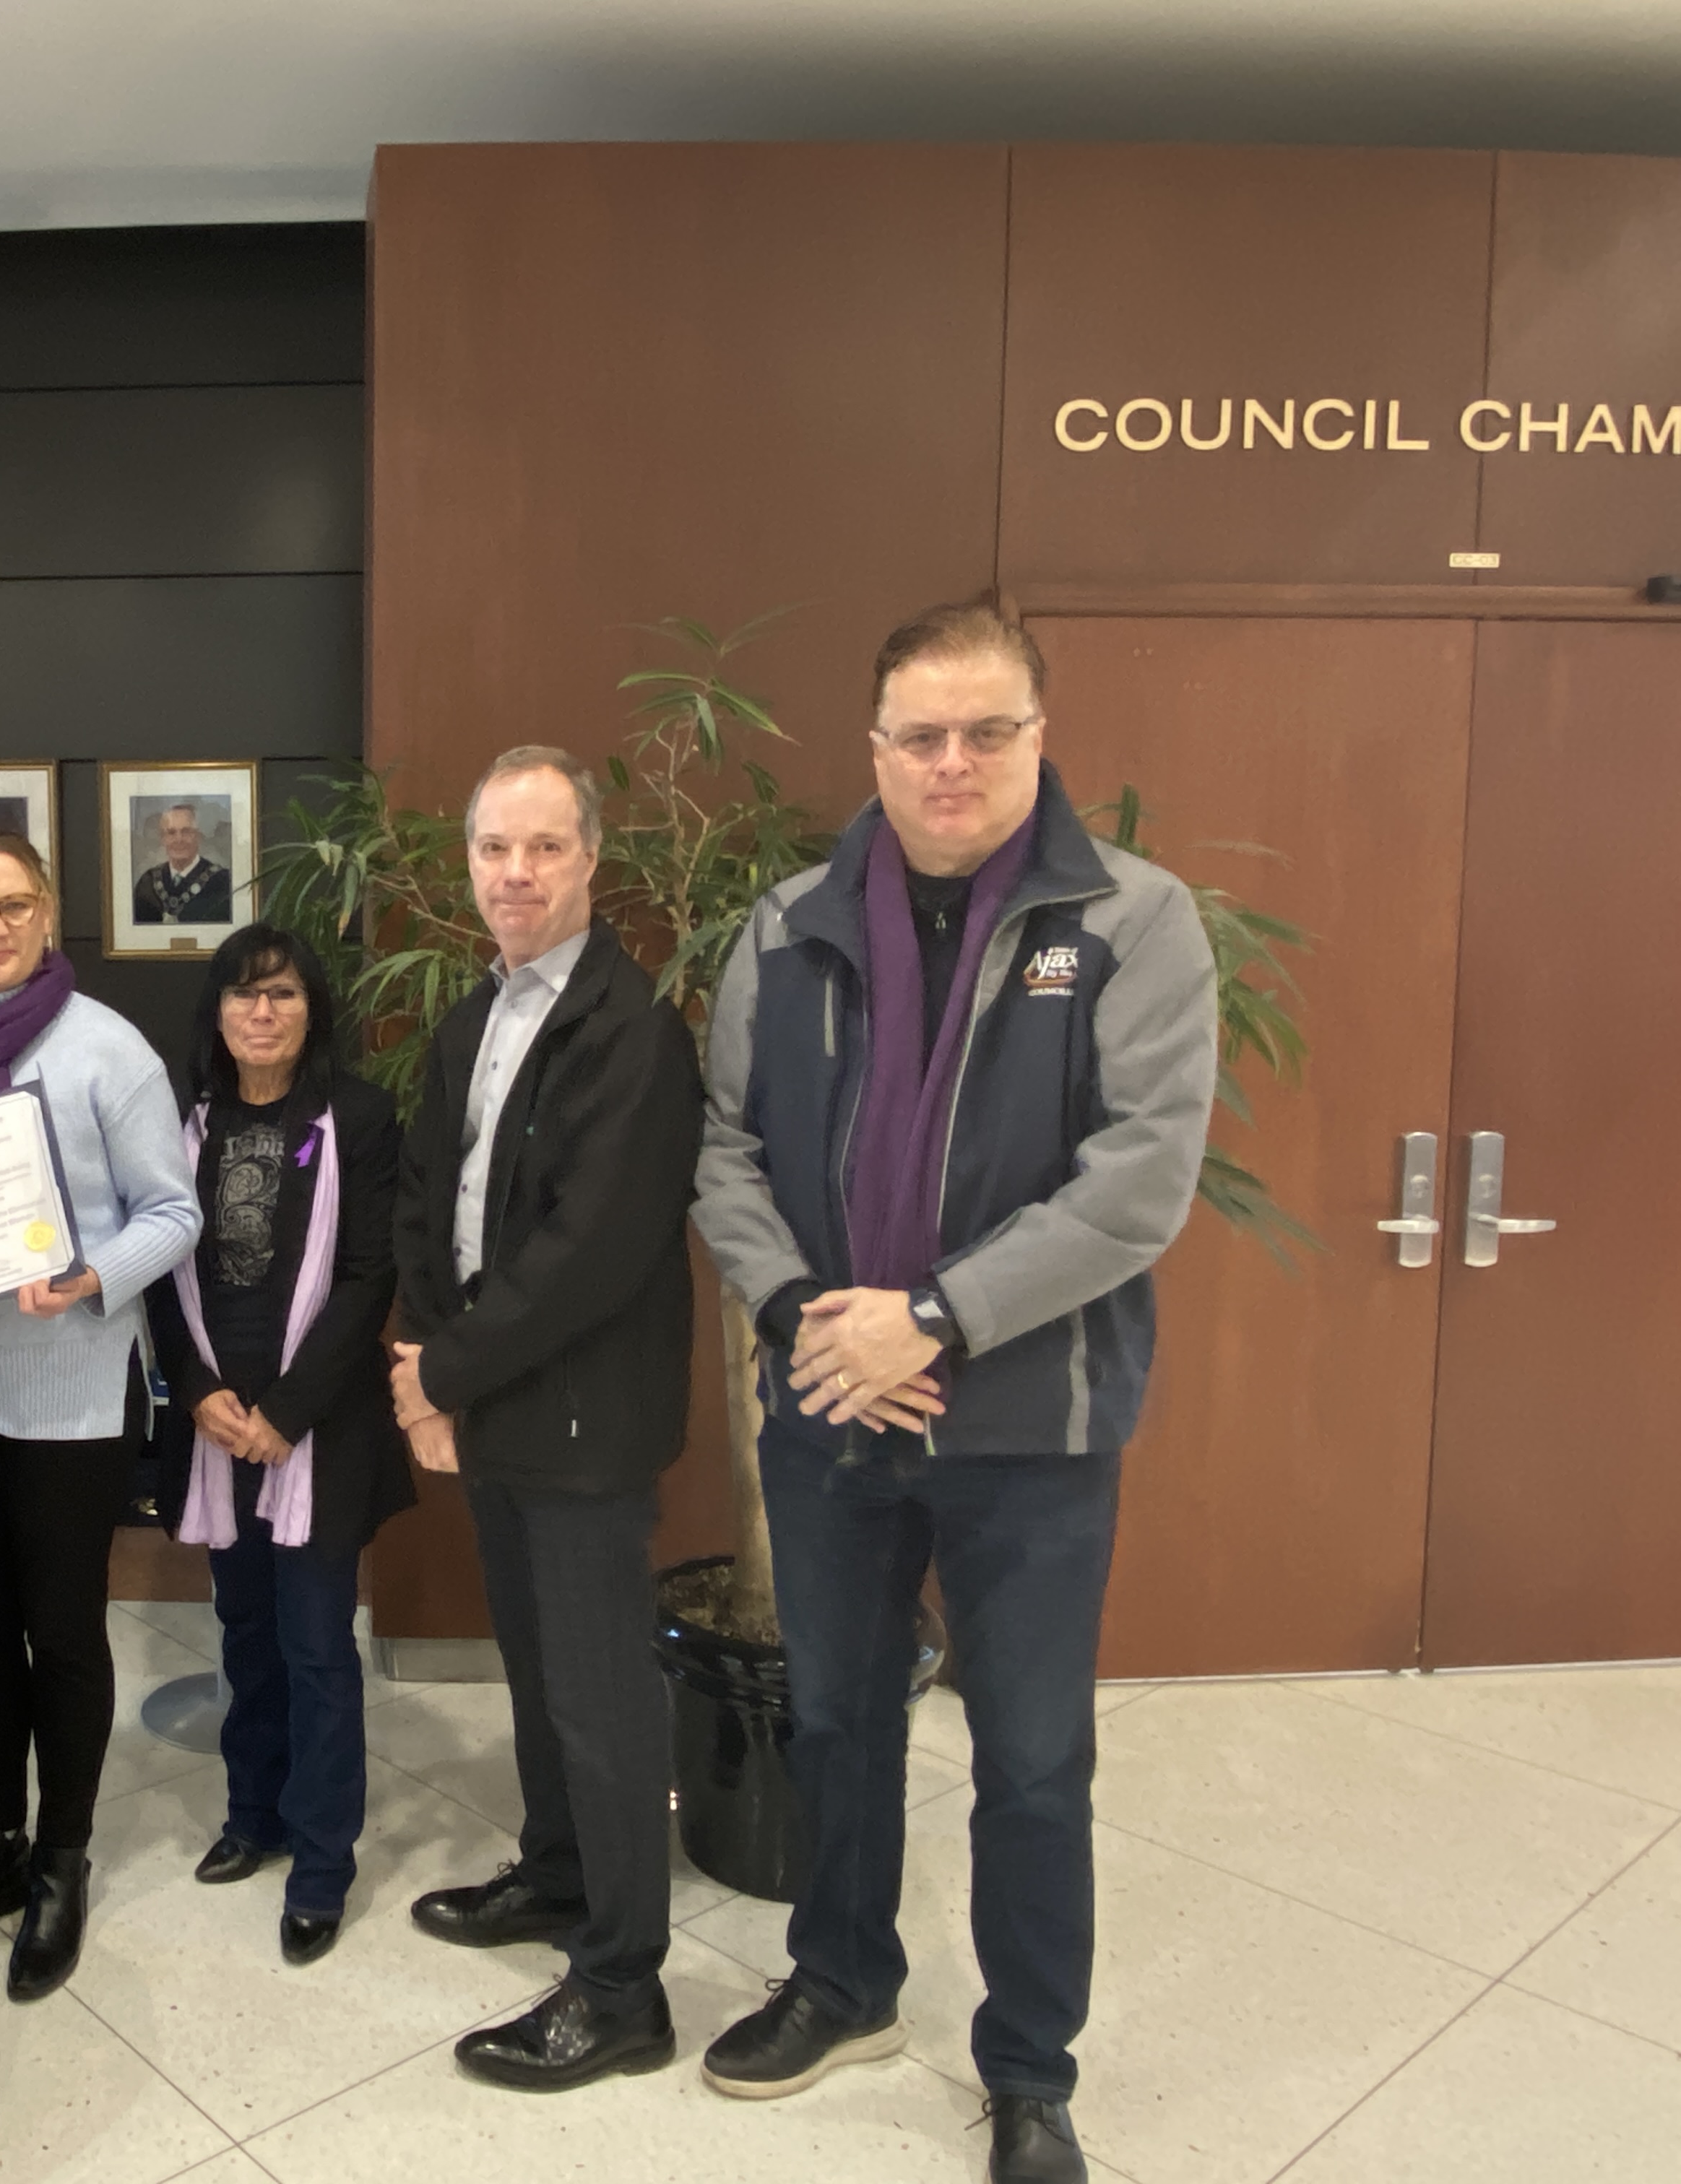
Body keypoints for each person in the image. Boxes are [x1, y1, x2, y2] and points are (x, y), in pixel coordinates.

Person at [691, 599, 1216, 2184]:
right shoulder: (784, 930)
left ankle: (1030, 2067)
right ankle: (845, 1982)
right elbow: (725, 1151)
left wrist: (932, 1319)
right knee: (840, 1721)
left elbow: (1141, 1180)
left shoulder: (1133, 917)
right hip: (836, 1408)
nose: (952, 762)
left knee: (1036, 1758)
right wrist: (806, 1321)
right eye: (921, 733)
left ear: (1040, 740)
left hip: (1030, 1433)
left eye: (989, 730)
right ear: (875, 749)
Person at [389, 745, 704, 2091]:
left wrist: (441, 1372)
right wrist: (415, 1350)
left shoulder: (634, 1032)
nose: (514, 872)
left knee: (601, 1699)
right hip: (494, 1402)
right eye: (492, 849)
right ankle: (561, 1871)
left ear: (590, 861)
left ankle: (625, 1983)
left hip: (577, 1420)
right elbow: (424, 1192)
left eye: (542, 847)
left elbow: (588, 1251)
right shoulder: (478, 1013)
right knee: (534, 1668)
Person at [0, 828, 200, 2002]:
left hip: (68, 1383)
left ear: (48, 911)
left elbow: (173, 1211)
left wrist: (90, 1275)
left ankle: (62, 1853)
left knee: (60, 1632)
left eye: (13, 904)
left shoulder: (109, 1050)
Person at [144, 925, 410, 1967]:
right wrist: (201, 1390)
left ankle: (321, 1861)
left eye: (285, 996)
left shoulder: (361, 1117)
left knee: (314, 1642)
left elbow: (368, 1277)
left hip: (316, 1425)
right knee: (243, 1632)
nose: (264, 1013)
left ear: (313, 1012)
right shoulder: (182, 1127)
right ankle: (250, 1814)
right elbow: (158, 1269)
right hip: (215, 1420)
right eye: (246, 996)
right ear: (217, 1012)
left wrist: (287, 1412)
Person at [132, 802, 231, 924]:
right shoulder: (147, 883)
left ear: (198, 836)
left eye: (186, 832)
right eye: (171, 833)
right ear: (163, 839)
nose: (179, 840)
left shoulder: (223, 882)